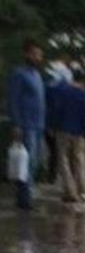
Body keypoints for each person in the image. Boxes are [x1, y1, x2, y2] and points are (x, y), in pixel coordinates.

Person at [8, 39, 46, 208]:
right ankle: (25, 199)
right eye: (36, 54)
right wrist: (16, 123)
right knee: (26, 162)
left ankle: (26, 195)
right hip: (26, 124)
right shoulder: (19, 74)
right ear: (27, 54)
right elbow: (13, 100)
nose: (39, 58)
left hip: (39, 124)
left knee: (35, 161)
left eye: (40, 55)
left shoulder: (37, 75)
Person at [56, 70, 85, 203]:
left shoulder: (64, 92)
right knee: (79, 161)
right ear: (82, 80)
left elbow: (58, 110)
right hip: (79, 132)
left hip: (63, 129)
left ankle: (70, 191)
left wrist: (54, 126)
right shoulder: (84, 94)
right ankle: (83, 191)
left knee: (64, 161)